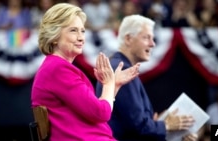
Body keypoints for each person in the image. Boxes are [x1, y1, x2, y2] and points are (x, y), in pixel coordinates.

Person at [31, 3, 140, 141]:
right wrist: (108, 84)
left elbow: (94, 110)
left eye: (82, 31)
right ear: (54, 35)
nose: (81, 37)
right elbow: (101, 113)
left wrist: (114, 84)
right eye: (73, 30)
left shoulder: (55, 68)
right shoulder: (58, 69)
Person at [96, 14, 198, 141]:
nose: (152, 44)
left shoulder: (121, 66)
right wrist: (167, 125)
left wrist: (160, 122)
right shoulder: (122, 69)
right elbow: (137, 126)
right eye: (146, 38)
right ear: (128, 39)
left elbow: (133, 120)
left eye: (153, 38)